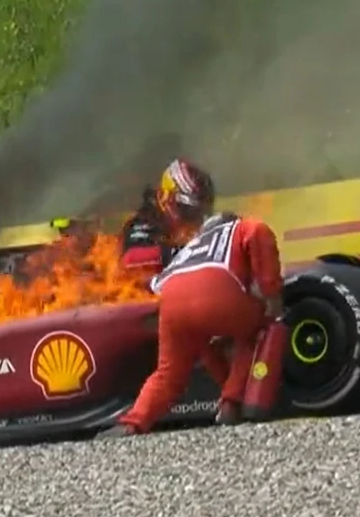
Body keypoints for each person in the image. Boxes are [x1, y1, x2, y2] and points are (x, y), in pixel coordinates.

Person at [98, 158, 285, 438]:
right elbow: (132, 261)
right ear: (167, 198)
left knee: (170, 371)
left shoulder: (196, 238)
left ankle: (132, 422)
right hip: (193, 297)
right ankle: (233, 401)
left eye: (199, 212)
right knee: (259, 330)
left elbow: (160, 283)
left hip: (171, 299)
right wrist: (272, 294)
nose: (193, 217)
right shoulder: (147, 222)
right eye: (188, 209)